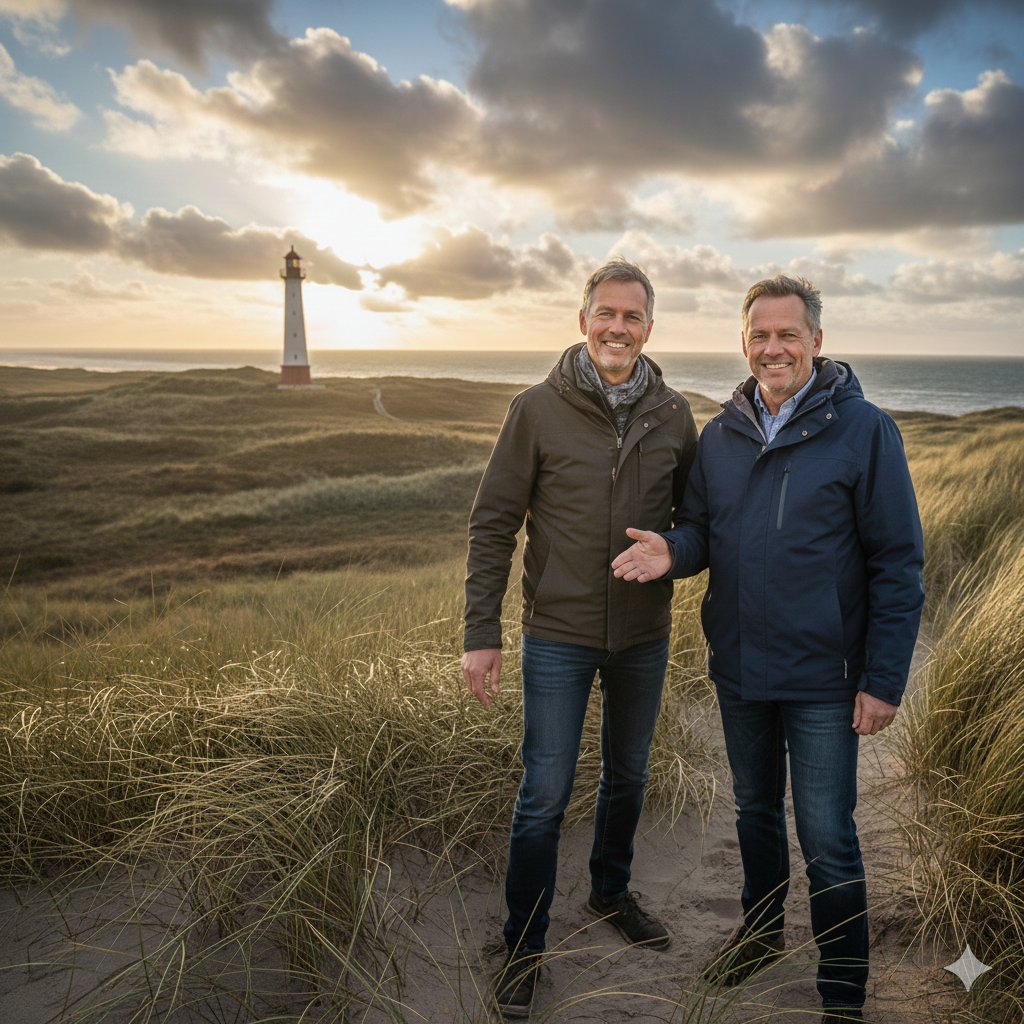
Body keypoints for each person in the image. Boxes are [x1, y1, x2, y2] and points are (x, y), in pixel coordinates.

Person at [612, 274, 925, 1024]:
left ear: (817, 341)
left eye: (789, 334)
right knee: (754, 811)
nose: (773, 347)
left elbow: (898, 565)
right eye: (760, 334)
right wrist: (672, 552)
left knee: (827, 835)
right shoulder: (720, 435)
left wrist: (883, 680)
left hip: (827, 677)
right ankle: (757, 936)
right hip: (741, 669)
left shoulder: (866, 430)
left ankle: (842, 995)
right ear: (744, 342)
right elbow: (701, 530)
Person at [462, 258, 698, 1018]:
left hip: (643, 633)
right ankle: (523, 946)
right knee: (544, 795)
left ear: (649, 329)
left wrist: (677, 550)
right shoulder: (534, 409)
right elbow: (493, 524)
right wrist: (481, 632)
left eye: (632, 317)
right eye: (606, 314)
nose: (617, 328)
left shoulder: (675, 415)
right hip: (558, 634)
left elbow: (696, 523)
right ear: (583, 321)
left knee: (628, 775)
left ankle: (608, 893)